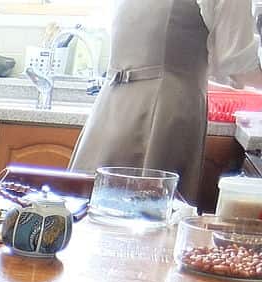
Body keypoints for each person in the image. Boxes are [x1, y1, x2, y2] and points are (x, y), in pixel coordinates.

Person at [71, 0, 262, 197]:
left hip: (111, 106)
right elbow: (237, 64)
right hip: (164, 111)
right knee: (149, 204)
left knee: (93, 204)